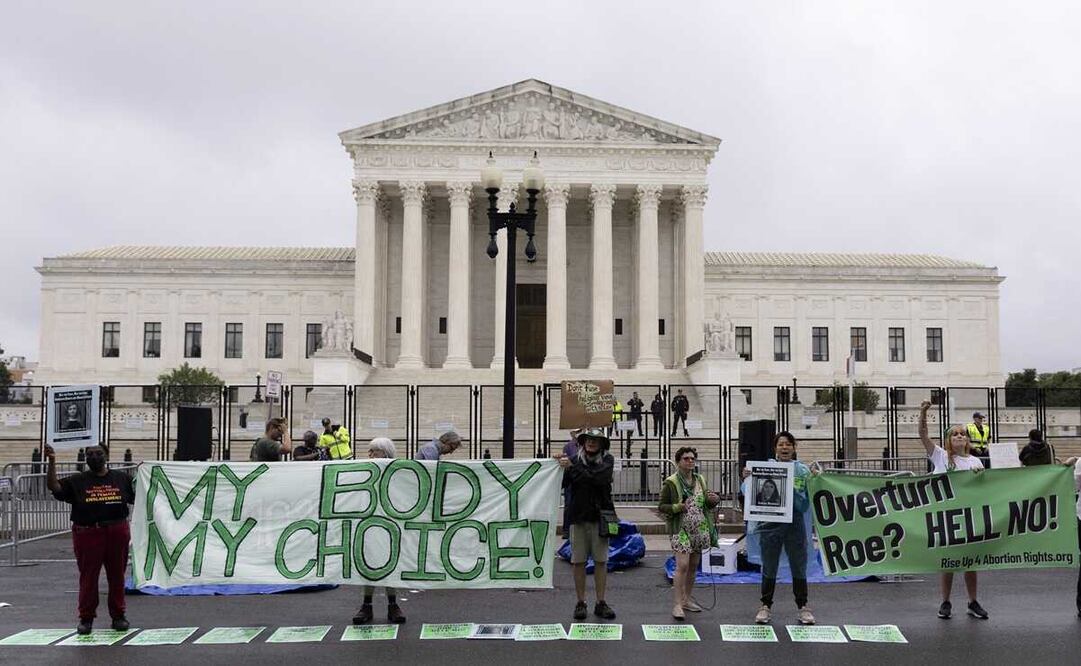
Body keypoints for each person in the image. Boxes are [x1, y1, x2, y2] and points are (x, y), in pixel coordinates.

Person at [44, 443, 135, 635]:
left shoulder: (122, 478)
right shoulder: (78, 480)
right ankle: (86, 618)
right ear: (86, 459)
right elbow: (54, 486)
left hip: (116, 531)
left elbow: (142, 494)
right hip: (87, 533)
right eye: (90, 454)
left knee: (117, 576)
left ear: (107, 455)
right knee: (88, 578)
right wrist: (52, 461)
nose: (95, 457)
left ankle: (118, 616)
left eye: (99, 454)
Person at [919, 400, 989, 620]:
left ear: (967, 439)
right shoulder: (940, 456)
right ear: (949, 440)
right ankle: (946, 601)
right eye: (954, 434)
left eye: (962, 434)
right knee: (948, 562)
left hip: (969, 517)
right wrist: (923, 412)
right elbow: (922, 435)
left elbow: (985, 490)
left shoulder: (976, 461)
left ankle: (972, 601)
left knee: (970, 562)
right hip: (946, 517)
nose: (959, 436)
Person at [742, 431, 816, 626]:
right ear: (775, 448)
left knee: (798, 564)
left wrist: (816, 480)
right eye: (781, 444)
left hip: (795, 524)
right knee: (769, 564)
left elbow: (808, 499)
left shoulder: (802, 471)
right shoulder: (765, 468)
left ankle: (803, 606)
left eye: (788, 444)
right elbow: (748, 492)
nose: (784, 447)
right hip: (770, 524)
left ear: (794, 448)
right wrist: (747, 478)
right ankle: (765, 606)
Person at [557, 427, 617, 621]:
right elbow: (563, 483)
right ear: (582, 442)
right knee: (578, 561)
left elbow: (597, 479)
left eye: (595, 439)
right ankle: (581, 601)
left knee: (601, 560)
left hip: (601, 516)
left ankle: (601, 602)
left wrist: (572, 467)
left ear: (601, 444)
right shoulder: (573, 461)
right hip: (579, 516)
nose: (591, 442)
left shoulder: (608, 460)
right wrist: (558, 465)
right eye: (588, 439)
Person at [658, 446, 720, 620]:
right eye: (686, 458)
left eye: (692, 458)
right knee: (682, 565)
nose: (690, 461)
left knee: (693, 565)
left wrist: (713, 500)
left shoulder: (700, 479)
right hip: (680, 528)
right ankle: (677, 604)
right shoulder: (671, 482)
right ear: (678, 461)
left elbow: (705, 503)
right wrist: (678, 507)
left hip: (699, 528)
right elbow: (662, 506)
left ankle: (686, 599)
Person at [353, 437, 407, 625]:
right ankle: (366, 605)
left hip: (390, 524)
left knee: (390, 565)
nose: (369, 454)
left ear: (384, 453)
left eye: (373, 451)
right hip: (368, 525)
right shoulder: (365, 470)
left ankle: (393, 604)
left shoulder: (398, 472)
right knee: (368, 565)